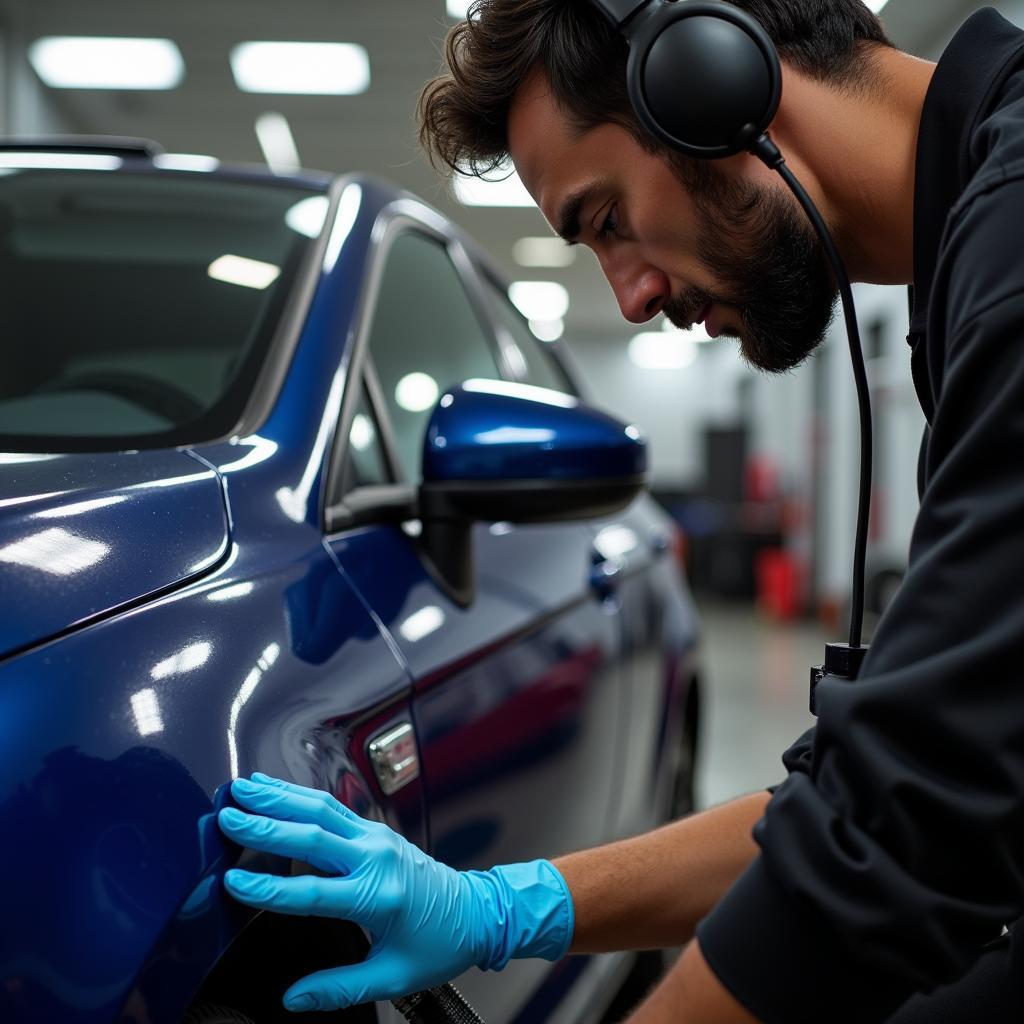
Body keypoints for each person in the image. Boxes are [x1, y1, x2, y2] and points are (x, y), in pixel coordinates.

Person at [216, 2, 1024, 1020]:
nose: (632, 297)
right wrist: (500, 907)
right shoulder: (970, 263)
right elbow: (911, 778)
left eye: (605, 219)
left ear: (713, 83)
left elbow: (913, 823)